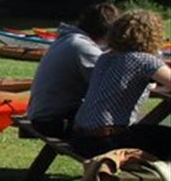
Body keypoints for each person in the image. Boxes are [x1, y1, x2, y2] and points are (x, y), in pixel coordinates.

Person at [71, 9, 171, 160]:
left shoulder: (105, 58)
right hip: (104, 141)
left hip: (79, 138)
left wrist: (160, 87)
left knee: (148, 132)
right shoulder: (143, 60)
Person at [26, 3, 120, 137]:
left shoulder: (68, 39)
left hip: (42, 115)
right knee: (121, 130)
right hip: (54, 121)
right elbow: (110, 83)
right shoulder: (83, 47)